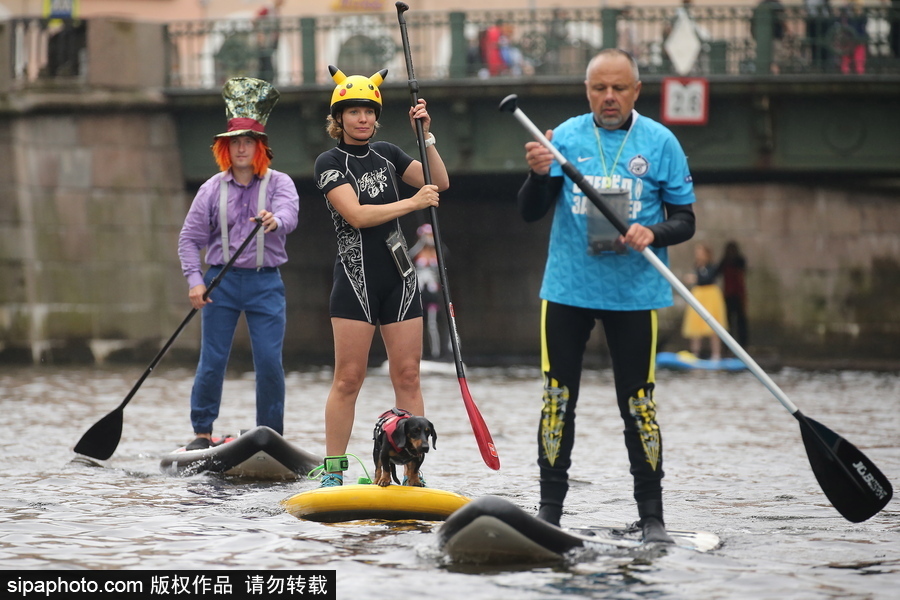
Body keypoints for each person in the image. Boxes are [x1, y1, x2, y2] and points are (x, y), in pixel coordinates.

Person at [517, 49, 696, 543]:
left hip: (634, 293)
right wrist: (537, 173)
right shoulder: (564, 137)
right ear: (587, 90)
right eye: (600, 88)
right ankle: (549, 511)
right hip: (568, 289)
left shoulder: (661, 142)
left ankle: (652, 517)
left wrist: (653, 232)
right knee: (557, 400)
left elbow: (685, 220)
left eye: (619, 88)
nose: (609, 97)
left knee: (639, 405)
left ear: (637, 90)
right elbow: (530, 211)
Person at [313, 66, 450, 487]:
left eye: (369, 111)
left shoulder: (389, 153)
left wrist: (425, 135)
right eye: (354, 111)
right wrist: (412, 204)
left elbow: (438, 181)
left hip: (400, 280)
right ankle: (333, 472)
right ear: (339, 118)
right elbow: (355, 215)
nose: (363, 118)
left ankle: (412, 472)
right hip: (356, 282)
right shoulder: (329, 162)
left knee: (408, 375)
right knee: (348, 379)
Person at [178, 77, 300, 450]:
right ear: (225, 148)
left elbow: (290, 214)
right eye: (235, 142)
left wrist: (275, 221)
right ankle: (202, 431)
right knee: (213, 359)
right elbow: (189, 239)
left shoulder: (280, 183)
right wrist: (195, 281)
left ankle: (270, 434)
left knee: (269, 362)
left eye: (248, 141)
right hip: (221, 283)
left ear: (260, 146)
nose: (241, 148)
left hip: (266, 283)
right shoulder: (210, 189)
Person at [681, 243, 726, 362]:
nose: (698, 255)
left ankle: (716, 354)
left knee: (714, 326)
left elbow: (709, 278)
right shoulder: (697, 266)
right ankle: (695, 353)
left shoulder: (712, 267)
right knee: (695, 325)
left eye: (701, 252)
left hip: (710, 296)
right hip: (699, 295)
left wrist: (695, 278)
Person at [410, 223, 447, 360]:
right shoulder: (417, 251)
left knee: (432, 324)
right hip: (419, 293)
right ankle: (417, 353)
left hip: (432, 293)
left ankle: (435, 354)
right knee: (417, 323)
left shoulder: (437, 252)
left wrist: (435, 242)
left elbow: (445, 253)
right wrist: (421, 243)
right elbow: (408, 256)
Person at [719, 240, 749, 347]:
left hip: (738, 294)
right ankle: (728, 345)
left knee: (741, 320)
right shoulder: (724, 262)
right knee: (728, 321)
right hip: (728, 294)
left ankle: (743, 344)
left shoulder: (739, 261)